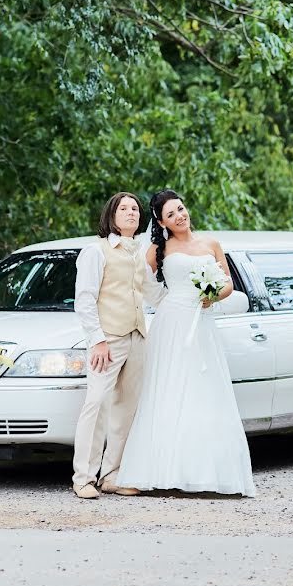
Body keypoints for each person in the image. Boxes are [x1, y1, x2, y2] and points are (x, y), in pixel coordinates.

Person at [116, 189, 256, 497]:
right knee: (167, 390)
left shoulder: (211, 244)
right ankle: (154, 471)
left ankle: (206, 473)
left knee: (204, 391)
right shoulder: (157, 249)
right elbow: (136, 281)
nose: (179, 215)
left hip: (201, 323)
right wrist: (164, 300)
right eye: (170, 214)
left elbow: (228, 285)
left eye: (180, 209)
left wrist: (211, 296)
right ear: (161, 221)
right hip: (172, 322)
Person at [71, 192, 166, 499]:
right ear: (111, 216)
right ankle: (84, 476)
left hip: (138, 336)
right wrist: (97, 340)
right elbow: (85, 299)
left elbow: (153, 294)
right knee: (96, 404)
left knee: (127, 408)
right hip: (107, 339)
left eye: (135, 209)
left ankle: (112, 474)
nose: (131, 213)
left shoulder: (139, 253)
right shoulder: (95, 251)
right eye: (123, 208)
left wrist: (192, 302)